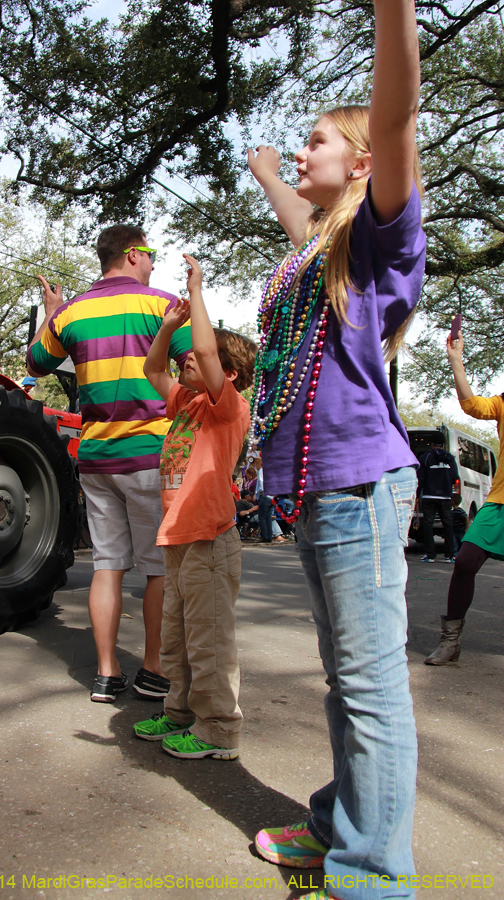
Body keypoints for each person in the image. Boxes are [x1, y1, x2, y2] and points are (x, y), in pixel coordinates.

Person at [246, 2, 424, 898]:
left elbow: (393, 116)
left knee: (369, 687)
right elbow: (299, 220)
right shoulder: (321, 249)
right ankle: (338, 825)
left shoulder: (381, 236)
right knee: (347, 681)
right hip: (323, 489)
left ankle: (371, 876)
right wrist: (270, 175)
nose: (300, 149)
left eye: (313, 140)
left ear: (359, 162)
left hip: (361, 486)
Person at [27, 225, 191, 703]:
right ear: (134, 254)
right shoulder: (160, 305)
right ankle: (154, 669)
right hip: (150, 456)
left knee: (107, 565)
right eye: (152, 254)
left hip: (97, 458)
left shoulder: (73, 312)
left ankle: (105, 673)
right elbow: (193, 366)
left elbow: (36, 362)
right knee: (158, 569)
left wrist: (53, 312)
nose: (155, 263)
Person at [133, 255, 257, 760]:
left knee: (209, 642)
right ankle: (180, 712)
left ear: (226, 373)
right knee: (178, 637)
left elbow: (204, 347)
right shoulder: (186, 403)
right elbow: (153, 368)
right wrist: (167, 326)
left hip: (209, 538)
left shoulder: (228, 407)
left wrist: (198, 291)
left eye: (200, 359)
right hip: (179, 538)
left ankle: (219, 731)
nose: (189, 357)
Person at [425, 330, 504, 666]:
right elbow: (472, 405)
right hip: (500, 503)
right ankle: (451, 640)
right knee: (466, 561)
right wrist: (456, 360)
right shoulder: (503, 402)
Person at [417, 435, 458, 563]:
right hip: (445, 496)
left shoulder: (426, 457)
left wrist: (418, 494)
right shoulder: (450, 458)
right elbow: (455, 476)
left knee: (428, 524)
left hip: (429, 495)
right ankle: (449, 555)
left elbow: (421, 478)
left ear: (431, 443)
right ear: (443, 444)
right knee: (448, 524)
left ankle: (430, 555)